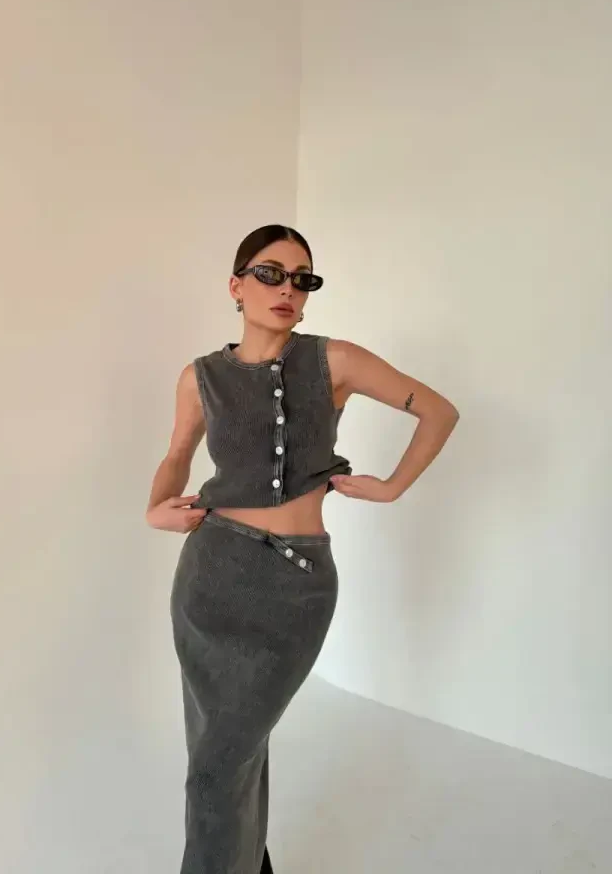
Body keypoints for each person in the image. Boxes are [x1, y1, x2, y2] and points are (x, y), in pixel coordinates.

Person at [146, 224, 459, 874]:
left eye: (302, 278)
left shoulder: (333, 361)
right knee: (221, 757)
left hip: (296, 587)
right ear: (236, 286)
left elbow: (438, 411)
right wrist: (157, 506)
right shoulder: (200, 377)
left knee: (223, 761)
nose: (286, 288)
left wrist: (392, 486)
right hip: (210, 577)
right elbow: (176, 455)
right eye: (269, 273)